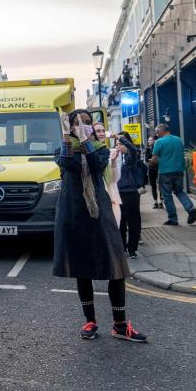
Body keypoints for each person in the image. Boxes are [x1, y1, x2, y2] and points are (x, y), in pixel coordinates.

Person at [54, 109, 147, 342]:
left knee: (116, 267)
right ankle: (90, 321)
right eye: (77, 123)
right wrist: (67, 136)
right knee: (82, 268)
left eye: (86, 123)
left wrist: (85, 139)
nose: (82, 126)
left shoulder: (101, 149)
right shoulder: (63, 149)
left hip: (100, 212)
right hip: (74, 213)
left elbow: (96, 165)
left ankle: (120, 324)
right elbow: (67, 164)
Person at [151, 123, 196, 226]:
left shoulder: (159, 142)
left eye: (157, 132)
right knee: (179, 191)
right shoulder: (178, 140)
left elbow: (154, 159)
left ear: (162, 131)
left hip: (165, 172)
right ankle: (190, 208)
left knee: (167, 195)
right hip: (179, 170)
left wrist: (152, 162)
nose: (156, 134)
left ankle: (173, 218)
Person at [114, 132, 143, 259]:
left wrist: (120, 138)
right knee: (120, 223)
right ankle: (122, 249)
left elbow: (133, 149)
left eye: (121, 144)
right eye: (117, 144)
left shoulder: (131, 158)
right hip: (117, 193)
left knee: (134, 223)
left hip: (131, 193)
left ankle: (132, 249)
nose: (118, 146)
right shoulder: (114, 158)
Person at [94, 123, 123, 225]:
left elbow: (115, 179)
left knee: (113, 230)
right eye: (98, 131)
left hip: (111, 197)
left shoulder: (112, 151)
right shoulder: (88, 153)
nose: (101, 134)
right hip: (96, 198)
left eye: (103, 131)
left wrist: (113, 161)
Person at [144, 136, 162, 210]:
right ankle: (155, 202)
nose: (148, 141)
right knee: (153, 185)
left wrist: (152, 159)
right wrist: (153, 158)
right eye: (148, 140)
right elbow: (147, 159)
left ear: (155, 140)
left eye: (150, 140)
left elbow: (159, 158)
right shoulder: (148, 149)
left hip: (159, 168)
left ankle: (161, 202)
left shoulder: (159, 148)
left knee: (161, 185)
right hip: (151, 168)